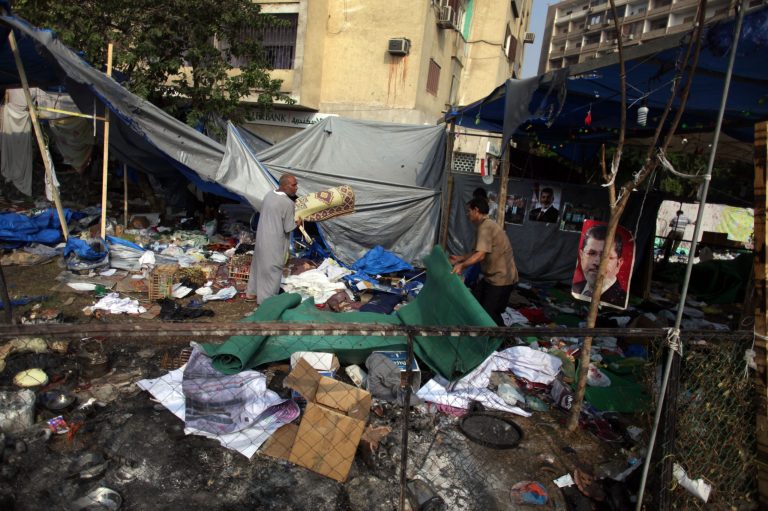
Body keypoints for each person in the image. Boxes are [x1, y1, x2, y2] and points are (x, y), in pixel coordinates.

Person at [450, 197, 519, 325]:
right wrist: (459, 258)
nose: (467, 214)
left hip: (501, 280)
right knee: (475, 303)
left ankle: (504, 340)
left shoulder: (486, 227)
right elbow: (478, 251)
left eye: (469, 211)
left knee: (490, 314)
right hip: (491, 278)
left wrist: (462, 266)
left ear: (476, 210)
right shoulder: (484, 226)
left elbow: (480, 255)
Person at [244, 174, 300, 305]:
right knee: (272, 271)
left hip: (262, 237)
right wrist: (298, 222)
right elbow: (288, 227)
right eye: (294, 185)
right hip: (274, 241)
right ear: (285, 185)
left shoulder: (269, 195)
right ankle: (266, 303)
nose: (296, 188)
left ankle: (251, 293)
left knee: (258, 266)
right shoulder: (287, 203)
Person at [572, 224, 627, 308]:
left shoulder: (620, 300)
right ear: (581, 256)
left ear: (618, 264)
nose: (597, 262)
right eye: (591, 253)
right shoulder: (576, 289)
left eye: (606, 256)